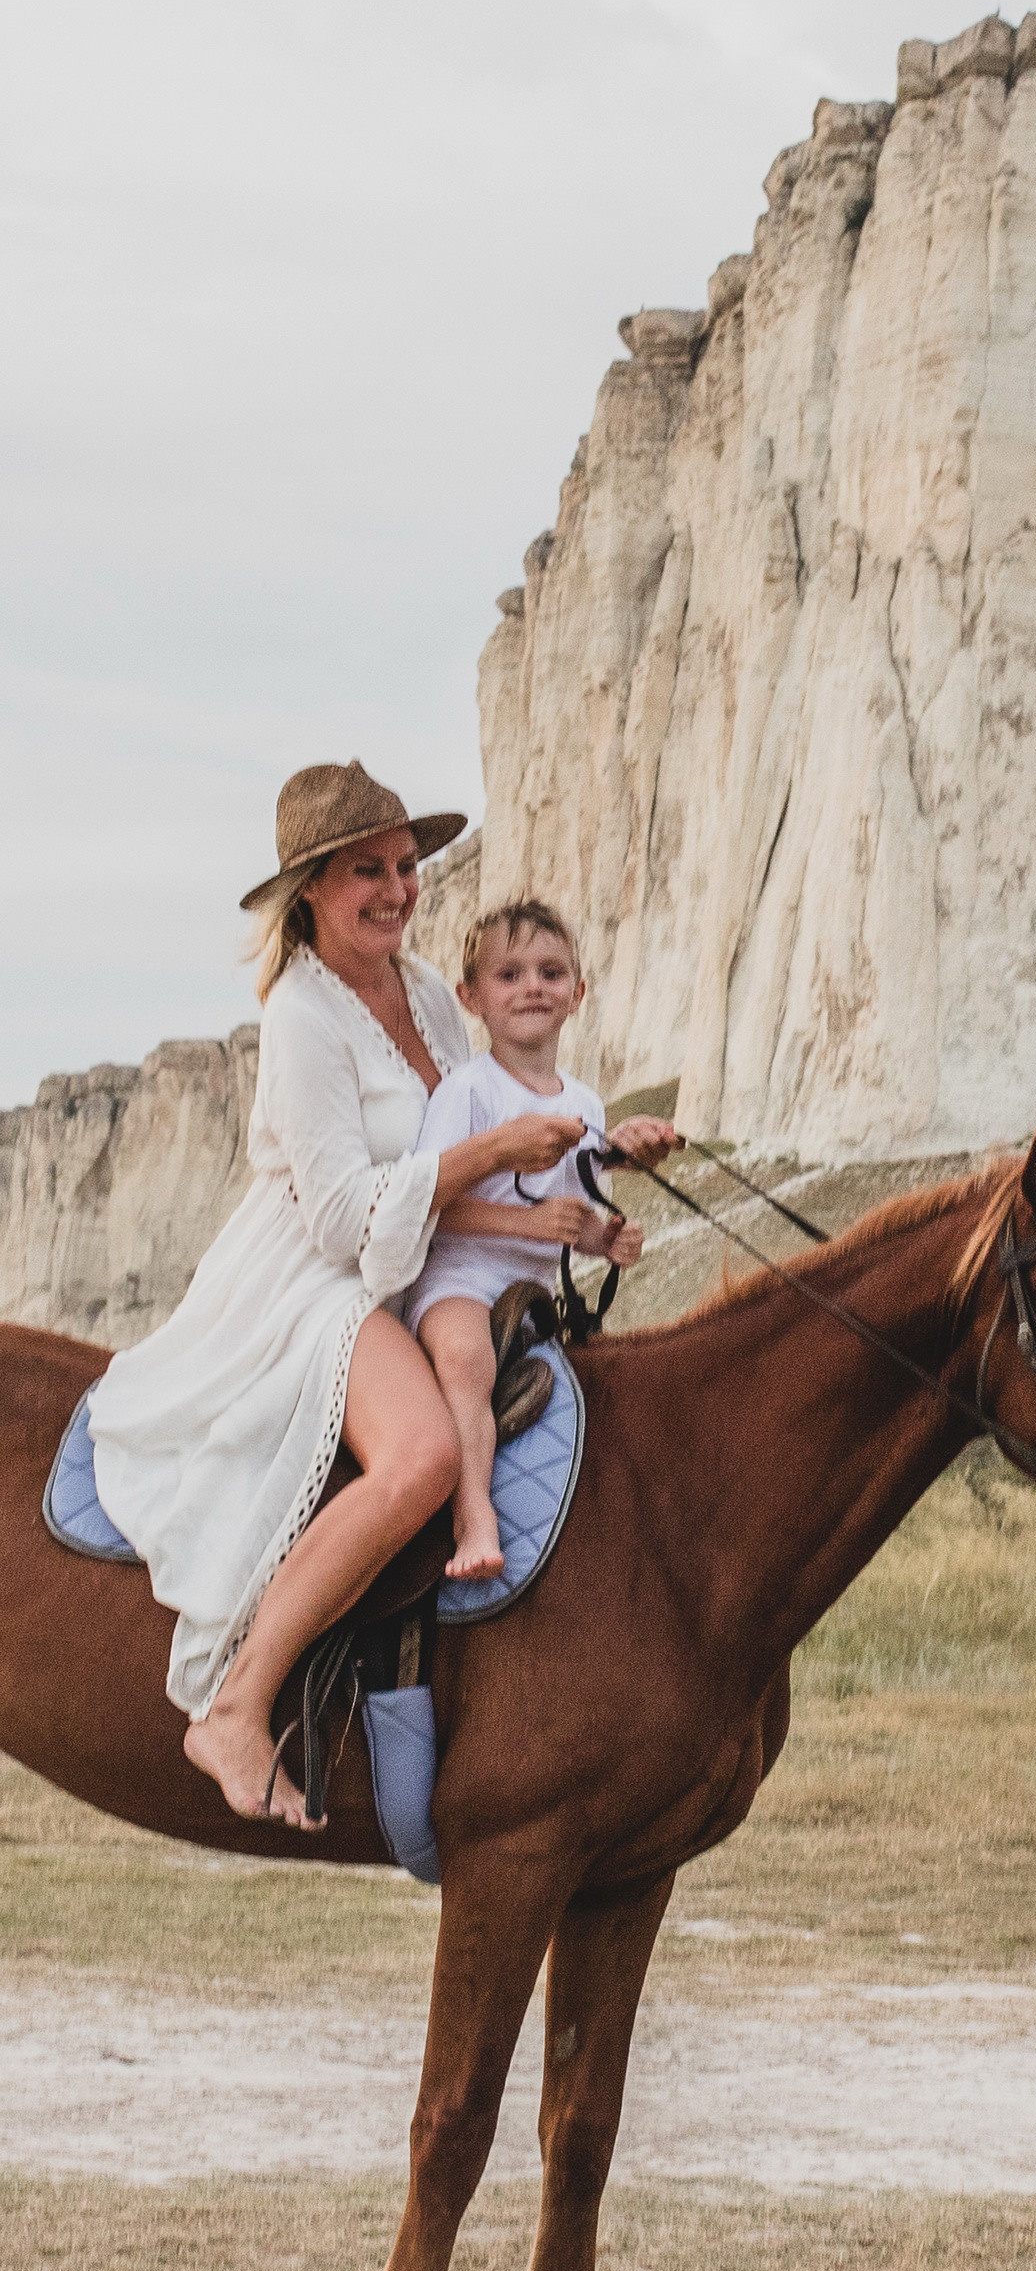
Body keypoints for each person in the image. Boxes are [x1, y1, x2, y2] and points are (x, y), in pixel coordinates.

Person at [87, 762, 678, 1828]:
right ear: (311, 888)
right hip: (312, 1279)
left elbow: (484, 1144)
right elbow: (343, 1219)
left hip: (416, 1262)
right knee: (421, 1454)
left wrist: (576, 1190)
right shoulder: (303, 1021)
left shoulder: (423, 999)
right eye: (370, 870)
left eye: (407, 866)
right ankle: (238, 1700)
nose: (399, 889)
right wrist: (496, 1149)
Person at [402, 898, 670, 1580]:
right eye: (509, 974)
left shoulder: (584, 1103)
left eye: (551, 973)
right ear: (471, 998)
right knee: (465, 1363)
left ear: (576, 994)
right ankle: (472, 1515)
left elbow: (571, 1213)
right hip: (459, 1277)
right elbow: (429, 1205)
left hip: (536, 1290)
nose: (532, 988)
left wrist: (606, 1240)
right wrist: (524, 1225)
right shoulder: (468, 1091)